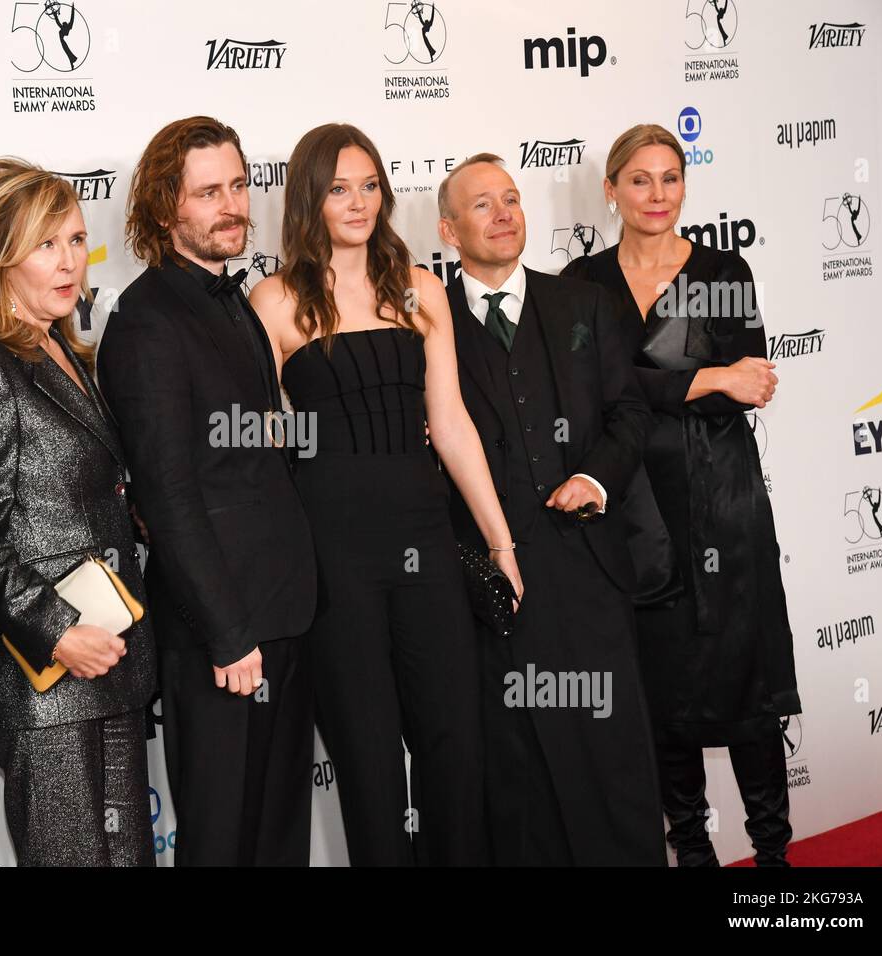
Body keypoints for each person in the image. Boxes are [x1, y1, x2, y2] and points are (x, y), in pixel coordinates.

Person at [250, 124, 522, 866]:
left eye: (370, 185)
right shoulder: (272, 302)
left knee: (455, 748)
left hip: (428, 544)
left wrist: (499, 542)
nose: (358, 201)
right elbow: (261, 443)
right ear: (310, 195)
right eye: (339, 187)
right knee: (369, 766)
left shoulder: (420, 288)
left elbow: (453, 424)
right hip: (333, 559)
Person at [561, 124, 799, 866]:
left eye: (670, 178)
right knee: (660, 693)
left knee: (747, 685)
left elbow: (751, 383)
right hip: (634, 508)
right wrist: (705, 379)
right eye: (639, 180)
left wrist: (702, 385)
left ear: (685, 185)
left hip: (724, 500)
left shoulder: (724, 267)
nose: (656, 195)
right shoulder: (583, 283)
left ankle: (774, 860)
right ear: (611, 190)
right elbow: (592, 396)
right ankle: (691, 852)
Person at [96, 116, 318, 866]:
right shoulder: (145, 321)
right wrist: (228, 631)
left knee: (278, 833)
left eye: (238, 185)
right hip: (222, 631)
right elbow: (165, 493)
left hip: (283, 610)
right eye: (208, 193)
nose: (232, 206)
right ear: (166, 210)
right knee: (222, 838)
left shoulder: (237, 300)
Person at [436, 152, 666, 865]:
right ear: (447, 231)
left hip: (587, 566)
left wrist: (595, 479)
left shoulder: (582, 305)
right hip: (487, 584)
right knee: (518, 772)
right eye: (482, 204)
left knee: (611, 760)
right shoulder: (424, 322)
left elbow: (631, 415)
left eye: (511, 199)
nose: (504, 214)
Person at [0, 158, 157, 866]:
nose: (69, 263)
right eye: (45, 245)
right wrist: (59, 631)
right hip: (49, 684)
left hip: (114, 665)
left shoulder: (66, 351)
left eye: (74, 240)